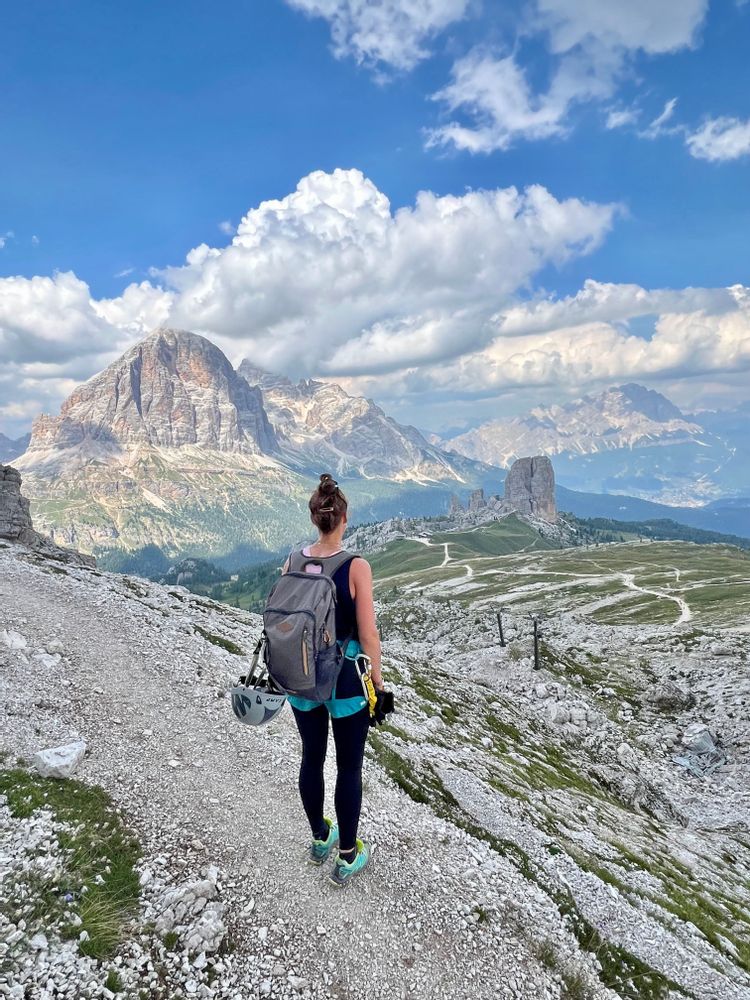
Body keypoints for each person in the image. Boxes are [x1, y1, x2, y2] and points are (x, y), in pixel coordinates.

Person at [282, 473, 383, 886]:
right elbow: (368, 634)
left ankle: (320, 838)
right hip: (343, 682)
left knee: (311, 758)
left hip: (302, 677)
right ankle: (347, 857)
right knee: (349, 768)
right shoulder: (355, 566)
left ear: (314, 517)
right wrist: (377, 684)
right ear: (345, 518)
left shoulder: (292, 560)